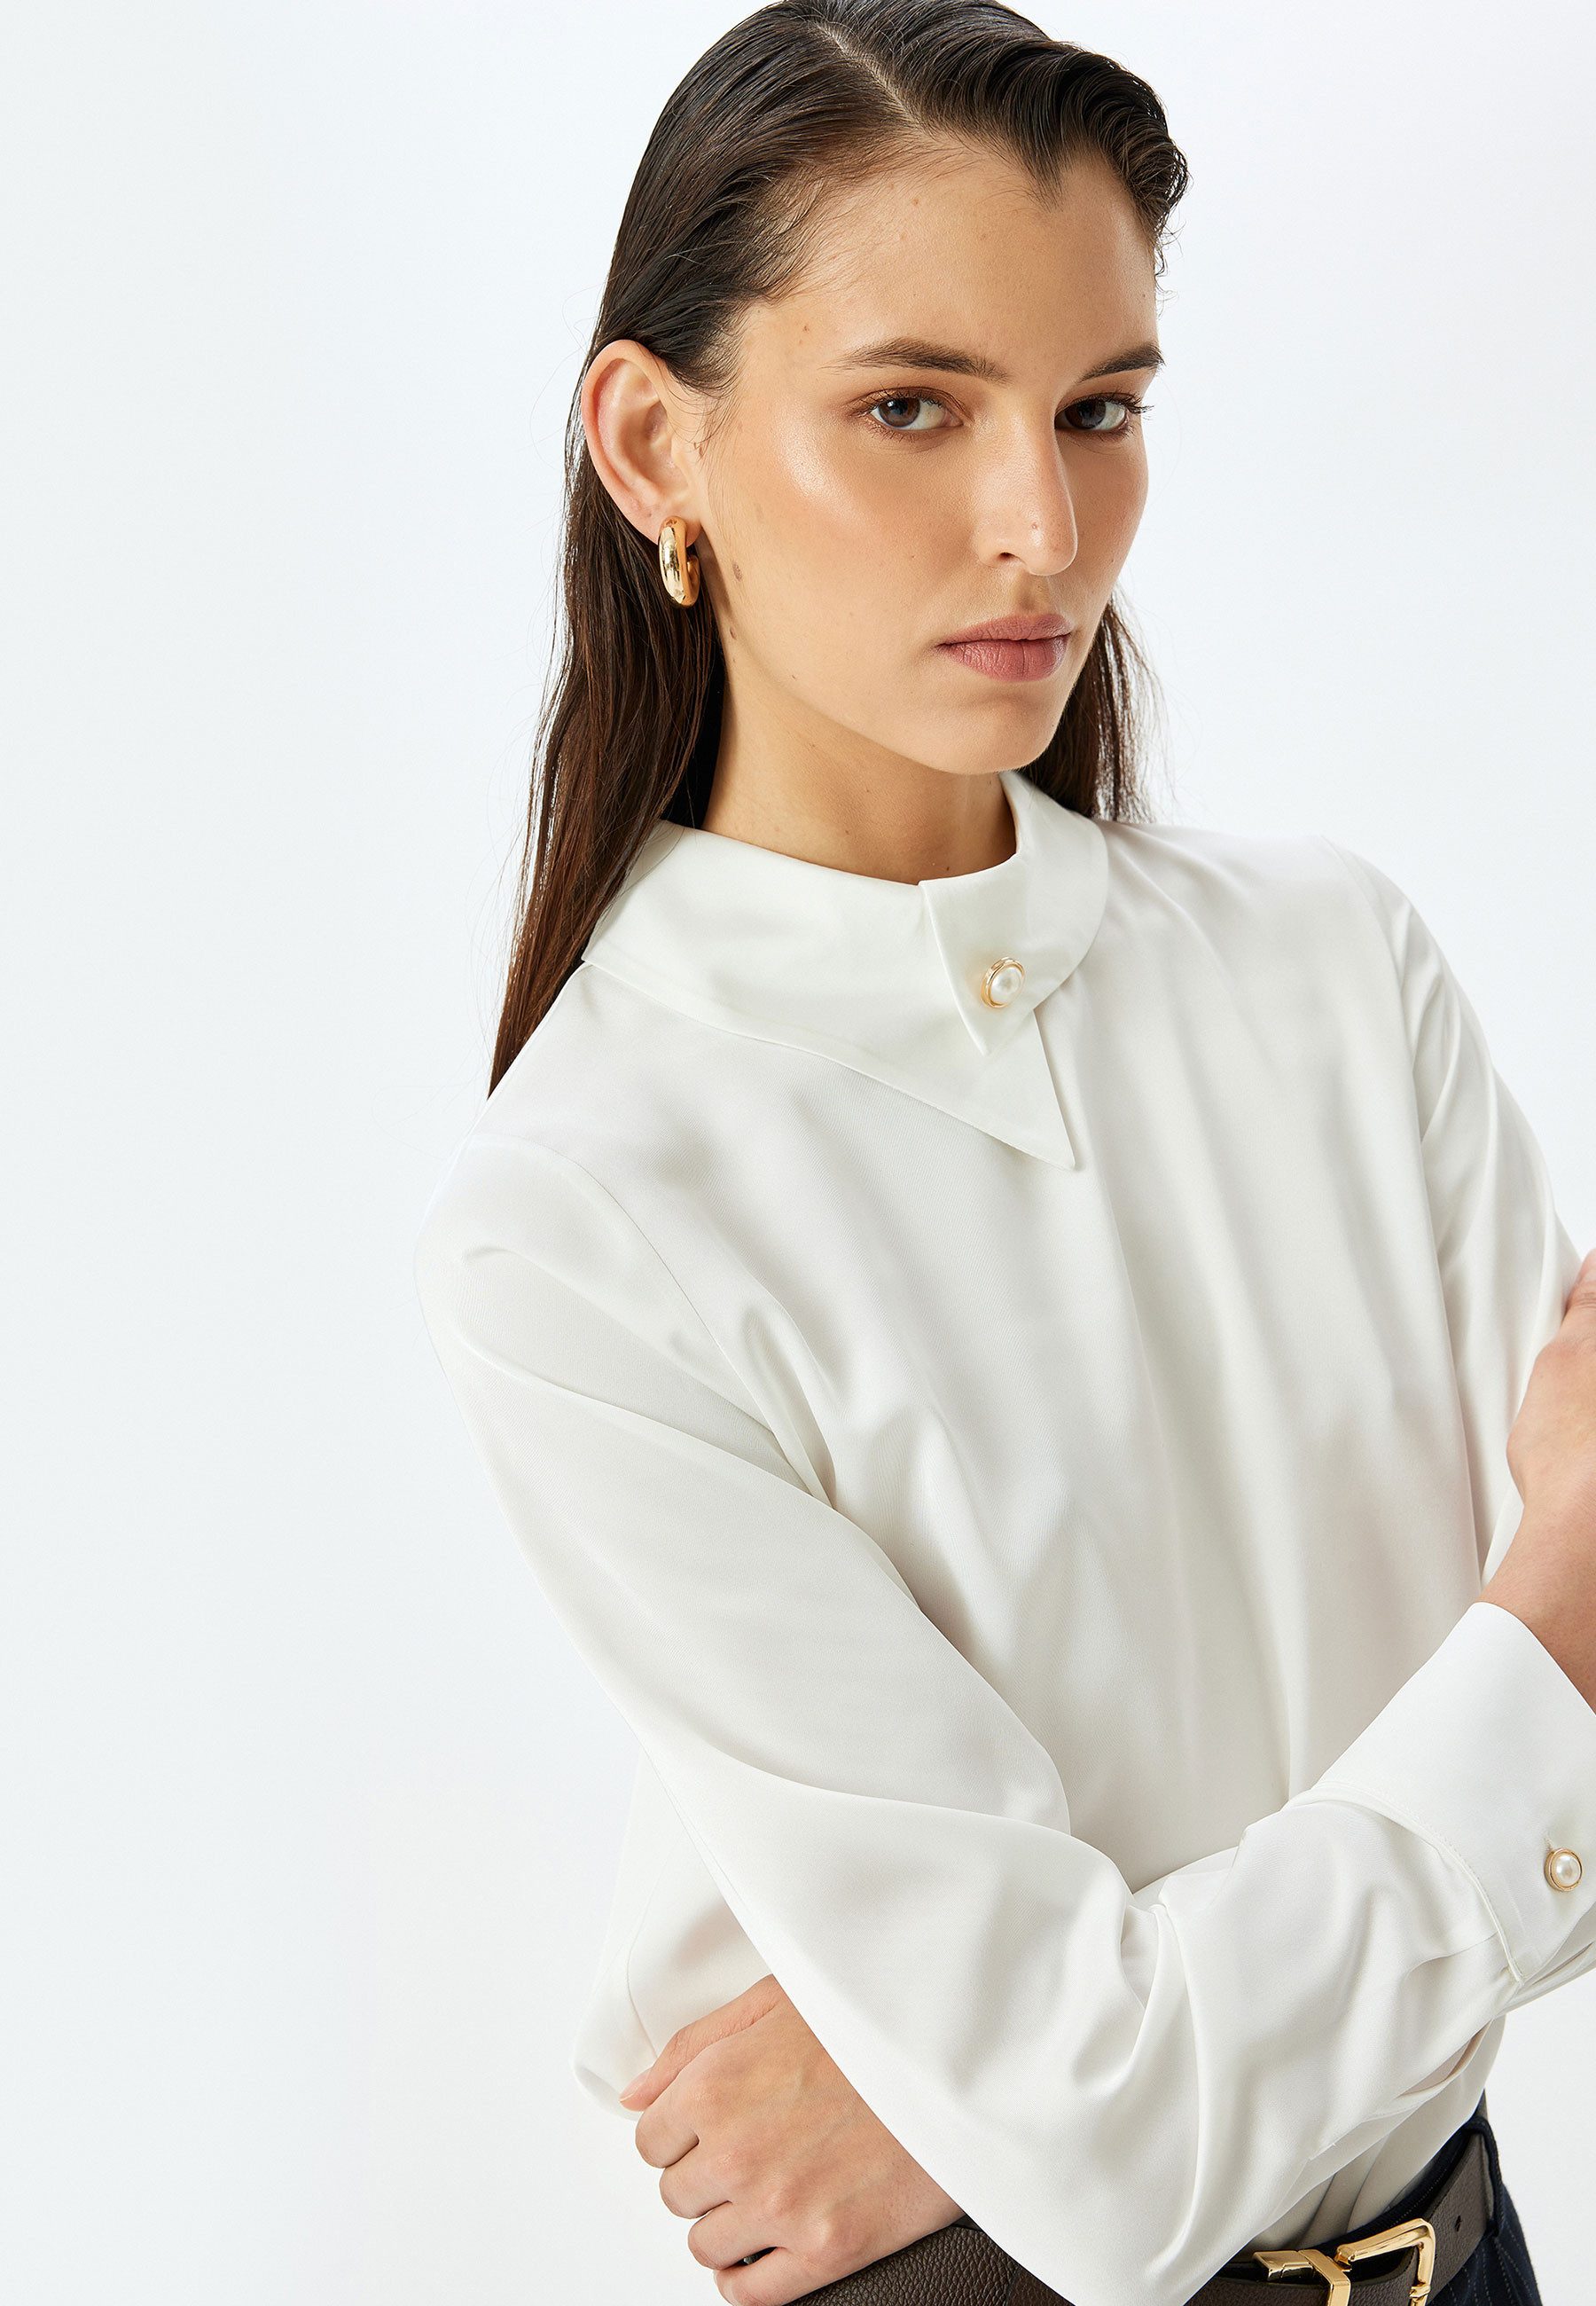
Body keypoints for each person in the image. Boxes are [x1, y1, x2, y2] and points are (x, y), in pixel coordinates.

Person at [411, 4, 1596, 2301]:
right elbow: (1117, 2128)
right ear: (655, 444)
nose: (1043, 528)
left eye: (1101, 410)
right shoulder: (580, 1220)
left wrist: (972, 2070)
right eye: (911, 409)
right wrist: (1551, 1626)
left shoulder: (1337, 972)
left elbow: (1102, 2088)